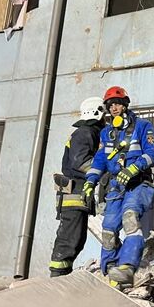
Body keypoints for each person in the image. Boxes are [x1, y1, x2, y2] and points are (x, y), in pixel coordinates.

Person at [83, 86, 154, 287]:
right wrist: (90, 181)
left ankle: (127, 267)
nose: (114, 108)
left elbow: (152, 154)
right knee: (108, 230)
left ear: (125, 105)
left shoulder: (143, 126)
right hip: (116, 186)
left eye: (117, 104)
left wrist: (133, 168)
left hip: (138, 183)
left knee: (130, 218)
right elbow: (100, 160)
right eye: (110, 106)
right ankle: (110, 270)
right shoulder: (107, 133)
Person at [49, 97, 105, 277]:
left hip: (77, 194)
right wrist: (103, 169)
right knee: (69, 240)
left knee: (77, 239)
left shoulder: (87, 132)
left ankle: (62, 276)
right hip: (74, 194)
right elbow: (80, 162)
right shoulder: (85, 132)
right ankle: (57, 279)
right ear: (98, 113)